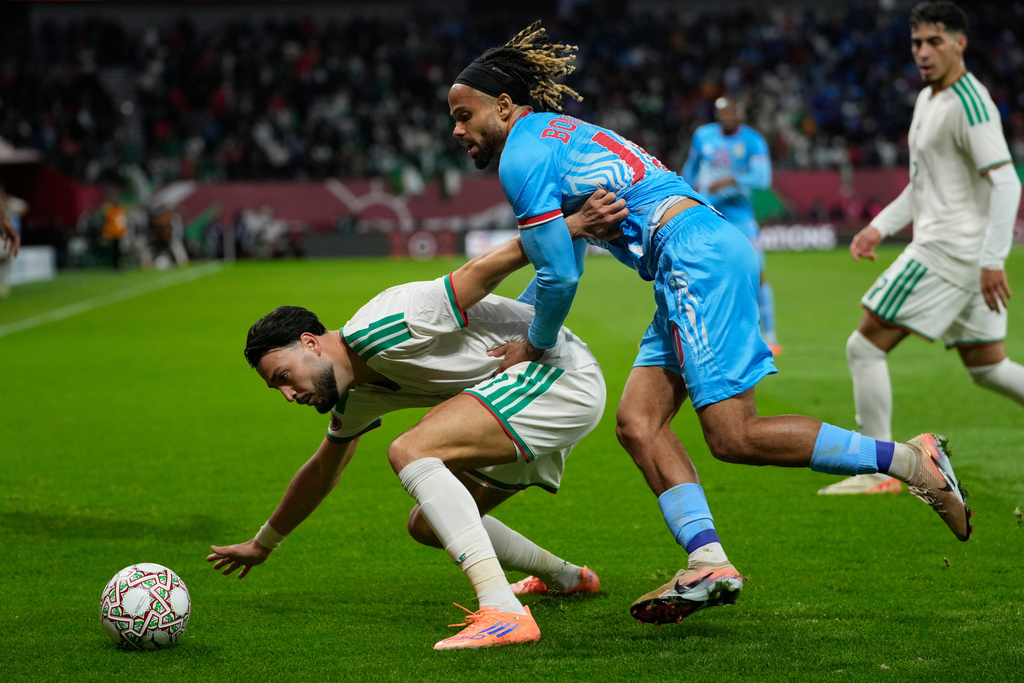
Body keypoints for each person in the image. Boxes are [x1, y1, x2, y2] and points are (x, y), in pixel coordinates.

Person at [447, 20, 973, 626]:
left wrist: (533, 346)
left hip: (691, 256)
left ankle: (911, 461)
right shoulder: (559, 134)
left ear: (505, 106)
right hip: (693, 251)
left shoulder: (523, 156)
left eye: (465, 115)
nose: (458, 130)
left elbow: (560, 276)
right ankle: (708, 561)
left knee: (733, 435)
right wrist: (528, 322)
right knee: (639, 423)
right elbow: (558, 264)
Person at [207, 235, 607, 650]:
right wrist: (263, 543)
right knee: (428, 524)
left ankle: (502, 610)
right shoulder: (354, 393)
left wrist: (567, 228)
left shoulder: (383, 324)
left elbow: (478, 275)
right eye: (279, 390)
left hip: (556, 375)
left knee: (411, 450)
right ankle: (567, 577)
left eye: (284, 377)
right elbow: (326, 469)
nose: (289, 395)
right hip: (517, 401)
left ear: (310, 343)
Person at [821, 0, 1024, 496]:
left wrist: (992, 259)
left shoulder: (969, 104)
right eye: (917, 42)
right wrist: (880, 226)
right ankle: (878, 467)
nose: (924, 52)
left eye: (935, 41)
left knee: (863, 345)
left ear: (960, 43)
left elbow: (1007, 184)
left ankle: (876, 471)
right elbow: (922, 183)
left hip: (947, 251)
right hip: (961, 253)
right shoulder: (929, 99)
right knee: (988, 366)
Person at [682, 96, 780, 353]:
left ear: (740, 113)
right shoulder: (703, 135)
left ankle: (769, 335)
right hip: (708, 215)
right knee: (692, 271)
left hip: (740, 218)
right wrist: (684, 192)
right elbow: (691, 168)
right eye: (721, 112)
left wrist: (730, 180)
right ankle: (692, 333)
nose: (726, 116)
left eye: (731, 111)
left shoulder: (753, 141)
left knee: (757, 274)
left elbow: (763, 178)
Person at [0, 185, 24, 298]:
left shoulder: (9, 204)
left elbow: (23, 207)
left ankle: (4, 286)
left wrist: (8, 199)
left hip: (5, 238)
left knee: (6, 263)